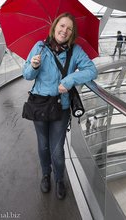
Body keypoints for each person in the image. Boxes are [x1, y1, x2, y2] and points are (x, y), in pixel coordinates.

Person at [22, 12, 97, 200]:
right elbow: (27, 75)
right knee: (43, 145)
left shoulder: (76, 51)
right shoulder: (39, 47)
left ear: (72, 34)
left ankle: (59, 179)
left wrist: (70, 79)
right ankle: (46, 174)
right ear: (54, 27)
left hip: (61, 107)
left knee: (56, 148)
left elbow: (91, 70)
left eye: (69, 29)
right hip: (39, 104)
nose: (64, 30)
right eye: (62, 26)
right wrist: (33, 65)